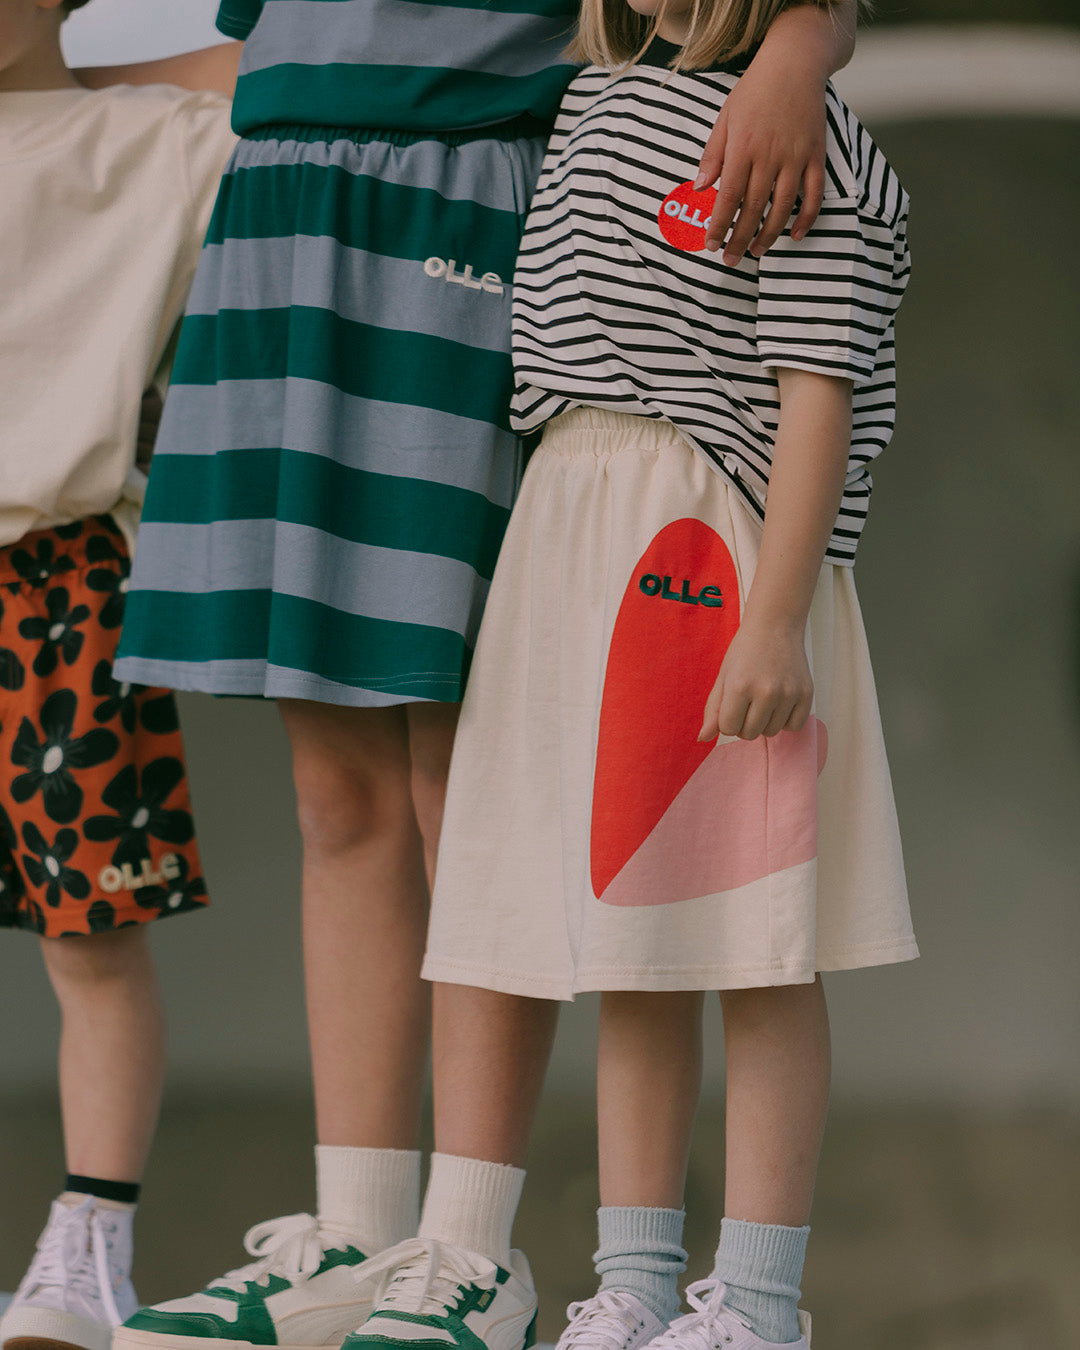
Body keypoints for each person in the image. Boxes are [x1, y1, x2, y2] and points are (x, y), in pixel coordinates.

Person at [111, 3, 860, 1349]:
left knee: (464, 782)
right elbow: (265, 58)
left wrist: (802, 47)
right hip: (284, 232)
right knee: (334, 792)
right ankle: (357, 1229)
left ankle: (468, 1244)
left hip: (458, 222)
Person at [336, 0, 918, 1348]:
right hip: (572, 528)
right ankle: (634, 1283)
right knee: (633, 943)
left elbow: (819, 384)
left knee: (759, 941)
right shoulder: (590, 102)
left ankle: (760, 1302)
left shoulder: (806, 129)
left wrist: (774, 620)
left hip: (711, 548)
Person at [0, 2, 237, 1348]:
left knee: (91, 936)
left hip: (61, 575)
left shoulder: (144, 136)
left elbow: (281, 74)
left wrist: (81, 65)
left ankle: (90, 1241)